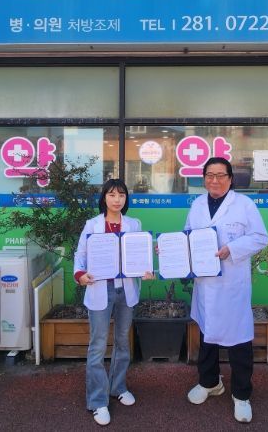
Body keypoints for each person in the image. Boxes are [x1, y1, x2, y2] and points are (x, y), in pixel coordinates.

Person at [184, 157, 268, 423]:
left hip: (232, 284)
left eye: (221, 175)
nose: (215, 180)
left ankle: (241, 395)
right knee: (207, 335)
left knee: (238, 341)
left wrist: (232, 249)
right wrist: (172, 249)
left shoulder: (244, 205)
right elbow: (187, 235)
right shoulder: (197, 205)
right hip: (205, 283)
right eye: (210, 175)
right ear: (203, 179)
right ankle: (210, 382)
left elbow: (260, 238)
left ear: (230, 179)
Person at [74, 178, 151, 426]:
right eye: (112, 195)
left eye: (121, 195)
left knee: (122, 341)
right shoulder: (92, 225)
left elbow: (139, 253)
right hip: (100, 288)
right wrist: (80, 274)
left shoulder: (134, 224)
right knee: (97, 344)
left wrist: (146, 269)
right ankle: (97, 400)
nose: (117, 200)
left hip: (125, 291)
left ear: (126, 199)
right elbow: (80, 254)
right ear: (104, 198)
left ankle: (118, 387)